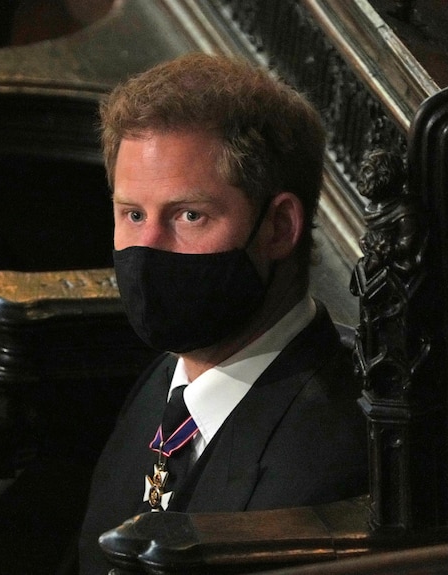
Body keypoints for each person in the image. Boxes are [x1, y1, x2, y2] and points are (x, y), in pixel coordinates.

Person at [78, 52, 368, 574]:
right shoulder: (168, 379)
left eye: (189, 215)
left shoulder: (321, 466)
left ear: (278, 227)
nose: (147, 249)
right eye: (133, 214)